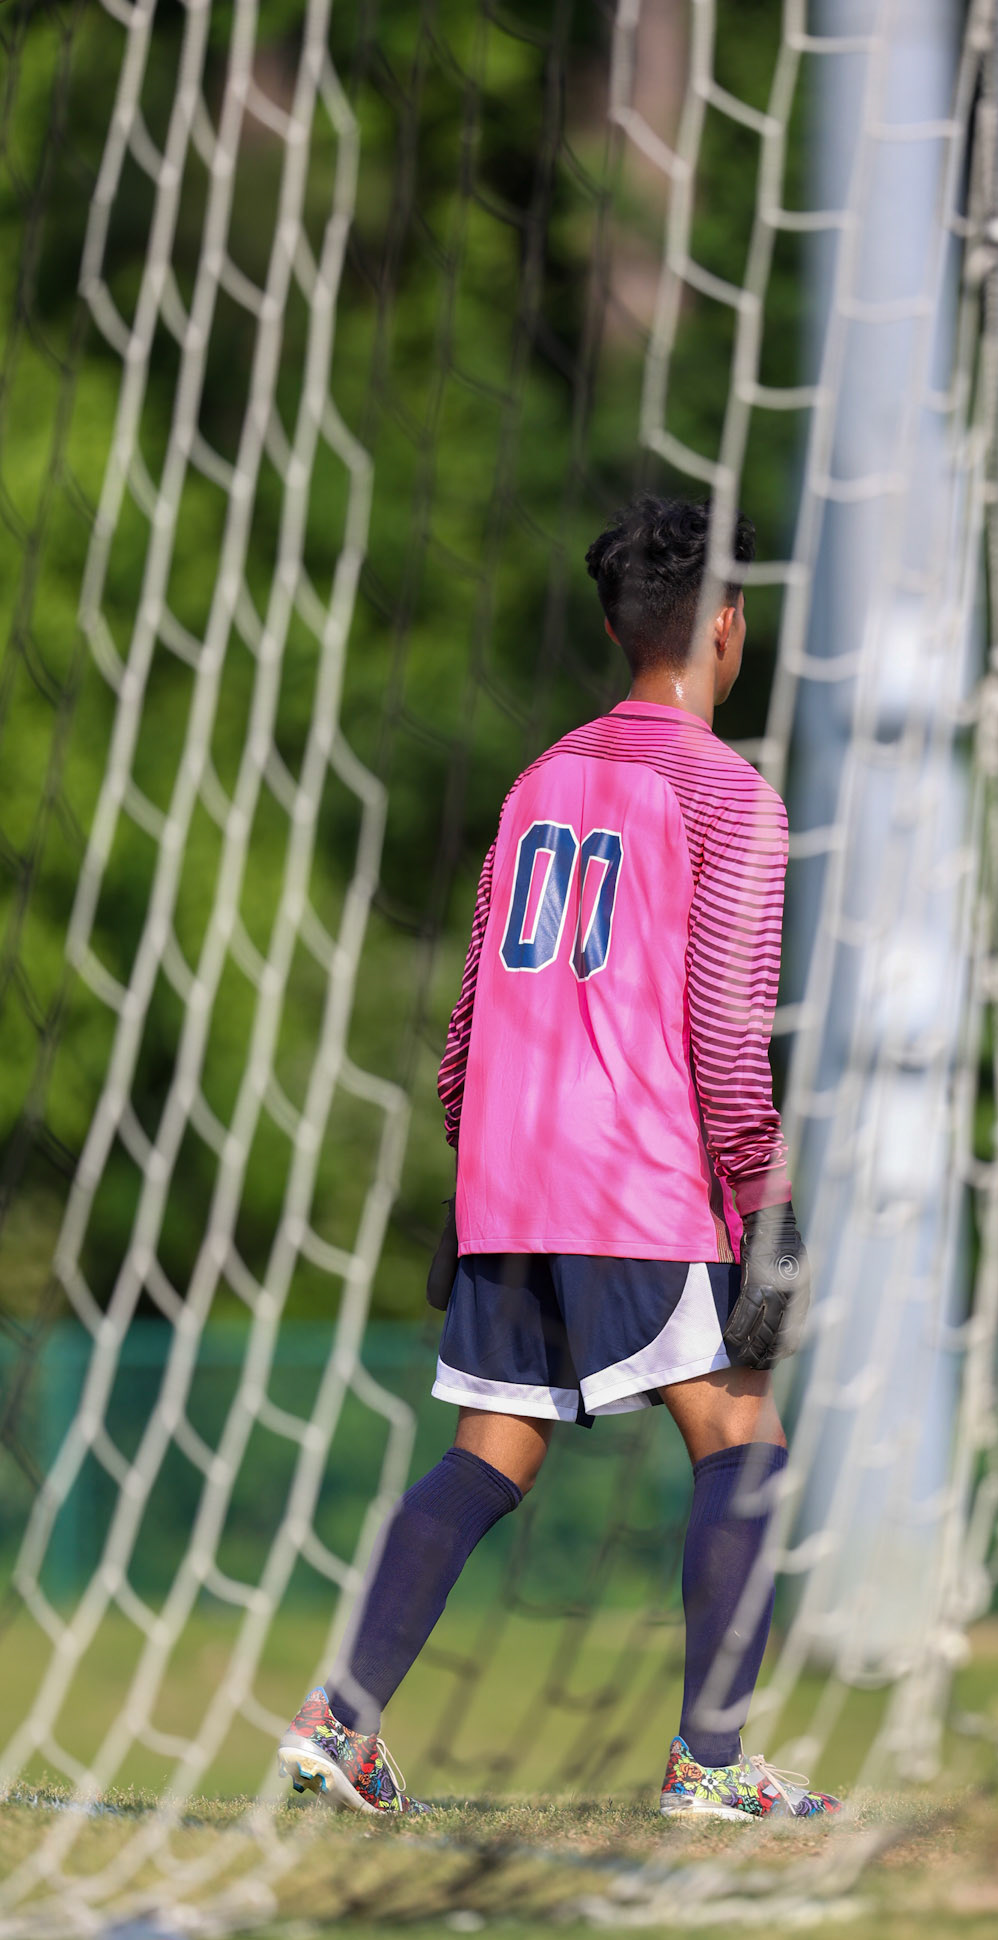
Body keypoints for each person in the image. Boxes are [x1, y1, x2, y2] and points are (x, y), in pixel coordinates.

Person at [277, 495, 837, 1822]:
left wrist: (472, 1178)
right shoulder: (727, 794)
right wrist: (765, 1199)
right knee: (739, 1440)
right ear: (728, 625)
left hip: (512, 1174)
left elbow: (470, 1017)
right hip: (636, 1174)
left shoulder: (540, 775)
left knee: (495, 1445)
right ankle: (709, 1764)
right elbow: (718, 1024)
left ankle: (336, 1722)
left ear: (607, 625)